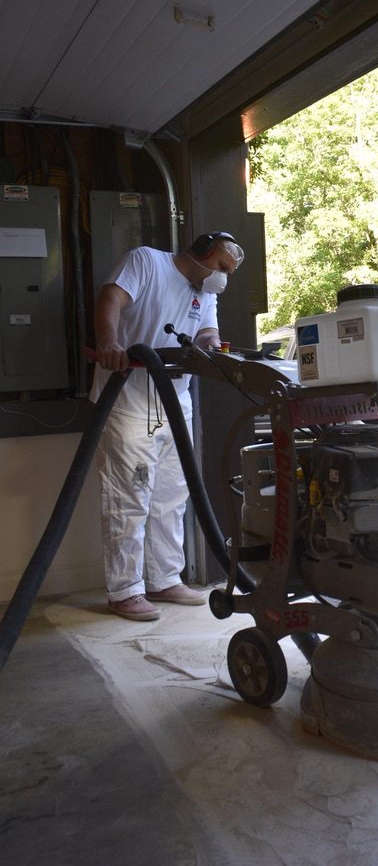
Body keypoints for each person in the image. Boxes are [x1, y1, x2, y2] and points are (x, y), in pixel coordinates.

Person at [91, 231, 244, 622]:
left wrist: (211, 344)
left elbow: (208, 332)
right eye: (222, 268)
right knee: (130, 497)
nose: (224, 279)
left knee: (171, 496)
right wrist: (109, 343)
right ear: (204, 251)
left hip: (176, 403)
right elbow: (111, 298)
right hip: (129, 400)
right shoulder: (146, 262)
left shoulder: (206, 293)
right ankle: (125, 591)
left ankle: (164, 578)